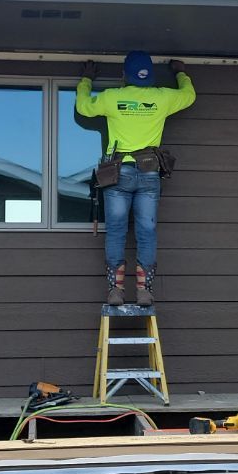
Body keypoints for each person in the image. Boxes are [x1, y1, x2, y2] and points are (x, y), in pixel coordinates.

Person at [76, 51, 196, 306]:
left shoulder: (113, 98)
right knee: (147, 231)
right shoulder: (162, 98)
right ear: (149, 77)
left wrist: (86, 79)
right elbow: (189, 96)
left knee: (117, 232)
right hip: (149, 172)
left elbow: (83, 107)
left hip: (118, 174)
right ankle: (144, 290)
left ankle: (115, 291)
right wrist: (180, 72)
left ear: (124, 76)